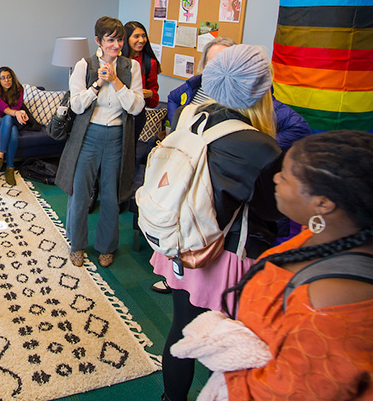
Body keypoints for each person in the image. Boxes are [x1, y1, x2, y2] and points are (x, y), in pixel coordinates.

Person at [152, 44, 283, 401]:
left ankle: (171, 398)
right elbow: (274, 212)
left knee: (180, 330)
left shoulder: (194, 116)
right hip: (226, 257)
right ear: (261, 89)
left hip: (182, 242)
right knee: (232, 341)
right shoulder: (260, 146)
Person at [217, 130, 373, 400]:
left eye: (286, 176)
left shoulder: (328, 305)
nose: (276, 178)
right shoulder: (323, 236)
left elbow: (283, 393)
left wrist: (224, 354)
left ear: (322, 203)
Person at [55, 16, 145, 268]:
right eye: (110, 40)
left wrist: (116, 81)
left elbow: (137, 107)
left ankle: (106, 247)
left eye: (119, 40)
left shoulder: (131, 68)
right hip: (88, 137)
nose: (116, 45)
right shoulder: (84, 65)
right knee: (80, 194)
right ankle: (77, 245)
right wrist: (98, 83)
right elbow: (76, 104)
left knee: (110, 195)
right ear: (98, 41)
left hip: (117, 138)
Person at [167, 37, 310, 152]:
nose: (221, 69)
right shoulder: (194, 85)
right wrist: (179, 125)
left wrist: (258, 146)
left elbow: (299, 128)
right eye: (215, 63)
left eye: (226, 63)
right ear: (204, 65)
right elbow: (173, 98)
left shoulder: (250, 100)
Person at [0, 67, 27, 186]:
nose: (6, 80)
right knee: (9, 122)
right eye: (3, 78)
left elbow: (16, 108)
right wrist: (17, 113)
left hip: (14, 120)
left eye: (9, 77)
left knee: (12, 125)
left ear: (12, 78)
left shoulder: (19, 89)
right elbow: (4, 109)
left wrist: (19, 114)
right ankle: (10, 167)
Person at [121, 20, 161, 139]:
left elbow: (154, 101)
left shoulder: (150, 63)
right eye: (136, 36)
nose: (141, 40)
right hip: (117, 112)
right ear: (126, 38)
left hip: (136, 115)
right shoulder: (116, 59)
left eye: (143, 36)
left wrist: (149, 93)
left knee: (129, 150)